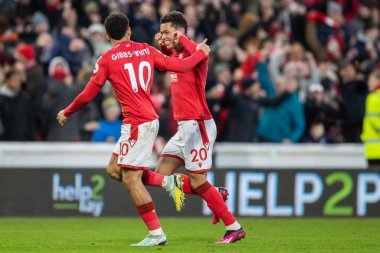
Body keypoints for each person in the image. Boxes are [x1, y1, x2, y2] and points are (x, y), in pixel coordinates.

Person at [56, 13, 210, 246]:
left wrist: (67, 111)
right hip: (142, 121)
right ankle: (168, 182)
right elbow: (181, 65)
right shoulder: (147, 50)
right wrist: (200, 53)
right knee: (113, 170)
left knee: (130, 180)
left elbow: (88, 94)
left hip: (138, 122)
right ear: (129, 31)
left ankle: (156, 234)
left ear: (107, 35)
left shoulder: (107, 59)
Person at [141, 11, 245, 243]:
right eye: (162, 31)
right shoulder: (178, 54)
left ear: (179, 32)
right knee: (162, 174)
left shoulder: (197, 53)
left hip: (199, 125)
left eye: (167, 31)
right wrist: (165, 42)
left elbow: (199, 50)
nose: (163, 35)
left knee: (198, 180)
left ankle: (233, 227)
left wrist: (178, 38)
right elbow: (168, 55)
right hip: (184, 128)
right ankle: (216, 193)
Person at [361, 69, 380, 168]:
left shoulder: (373, 97)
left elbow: (373, 120)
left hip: (375, 150)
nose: (368, 82)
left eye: (370, 79)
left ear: (378, 80)